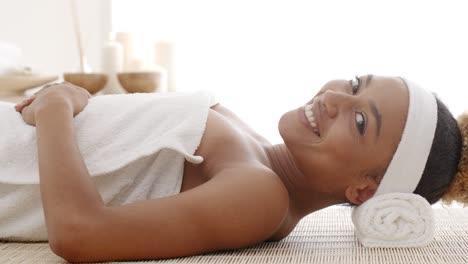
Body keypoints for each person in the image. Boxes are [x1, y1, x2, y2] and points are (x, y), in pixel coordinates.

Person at [12, 74, 467, 262]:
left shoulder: (261, 197)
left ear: (364, 191)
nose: (334, 99)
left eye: (361, 120)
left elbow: (78, 233)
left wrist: (54, 105)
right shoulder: (245, 139)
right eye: (354, 84)